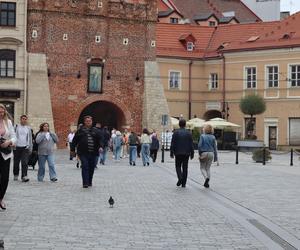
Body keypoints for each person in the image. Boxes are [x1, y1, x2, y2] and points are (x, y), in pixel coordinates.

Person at [70, 116, 103, 188]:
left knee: (91, 167)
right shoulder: (80, 131)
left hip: (93, 152)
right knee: (85, 165)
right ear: (84, 122)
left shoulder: (96, 131)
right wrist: (72, 150)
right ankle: (85, 183)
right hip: (82, 152)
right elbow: (74, 141)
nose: (88, 122)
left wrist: (100, 146)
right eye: (87, 121)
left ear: (92, 121)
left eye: (90, 121)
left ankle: (89, 181)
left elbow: (100, 140)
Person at [0, 104, 17, 210]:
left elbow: (14, 136)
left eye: (2, 112)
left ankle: (0, 198)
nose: (0, 114)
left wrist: (10, 141)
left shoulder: (8, 122)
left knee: (5, 178)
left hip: (5, 153)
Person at [170, 119, 194, 188]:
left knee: (178, 166)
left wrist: (171, 152)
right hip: (186, 153)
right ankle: (184, 183)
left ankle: (180, 178)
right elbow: (191, 144)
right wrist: (192, 153)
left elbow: (173, 143)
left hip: (178, 153)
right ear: (185, 124)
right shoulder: (189, 133)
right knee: (185, 168)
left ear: (179, 124)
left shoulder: (176, 133)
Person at [13, 115, 33, 182]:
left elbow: (30, 138)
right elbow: (12, 136)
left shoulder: (28, 128)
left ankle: (24, 176)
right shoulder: (16, 127)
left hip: (25, 147)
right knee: (16, 162)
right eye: (23, 119)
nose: (24, 120)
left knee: (24, 162)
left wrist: (30, 147)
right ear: (20, 119)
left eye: (25, 119)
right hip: (16, 147)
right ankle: (16, 174)